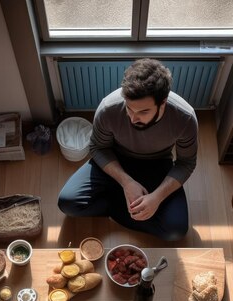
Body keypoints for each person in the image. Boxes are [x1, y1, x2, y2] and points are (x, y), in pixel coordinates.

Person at [57, 58, 198, 241]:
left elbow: (186, 163)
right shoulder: (109, 108)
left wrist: (156, 198)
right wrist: (126, 182)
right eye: (129, 109)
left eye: (143, 112)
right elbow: (98, 147)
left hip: (157, 163)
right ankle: (122, 202)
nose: (133, 118)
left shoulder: (184, 118)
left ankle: (120, 203)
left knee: (176, 231)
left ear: (162, 103)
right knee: (68, 204)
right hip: (115, 159)